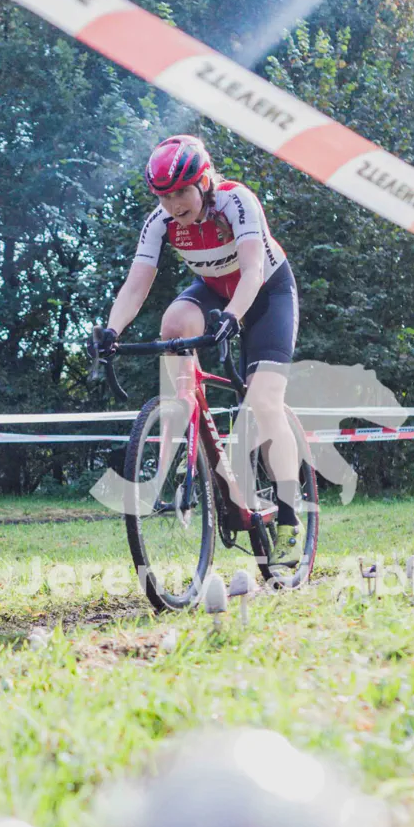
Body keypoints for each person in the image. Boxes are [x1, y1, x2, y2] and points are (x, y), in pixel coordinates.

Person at [95, 134, 304, 561]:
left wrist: (232, 317)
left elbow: (253, 271)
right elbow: (136, 286)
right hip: (214, 290)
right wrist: (111, 331)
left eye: (180, 193)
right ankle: (185, 425)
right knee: (173, 324)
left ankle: (289, 513)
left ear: (204, 181)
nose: (173, 205)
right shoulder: (160, 222)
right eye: (164, 196)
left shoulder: (236, 201)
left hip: (267, 294)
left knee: (264, 401)